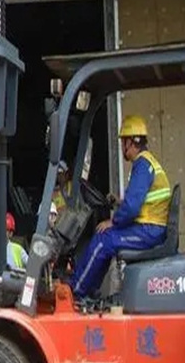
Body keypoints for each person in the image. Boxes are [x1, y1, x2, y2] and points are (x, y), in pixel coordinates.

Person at [70, 115, 171, 299]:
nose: (122, 147)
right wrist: (118, 202)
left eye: (124, 141)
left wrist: (113, 222)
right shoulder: (146, 164)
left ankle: (76, 291)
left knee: (103, 240)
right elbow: (137, 202)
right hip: (150, 227)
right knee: (106, 238)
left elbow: (132, 209)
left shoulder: (142, 164)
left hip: (149, 230)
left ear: (132, 142)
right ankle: (90, 291)